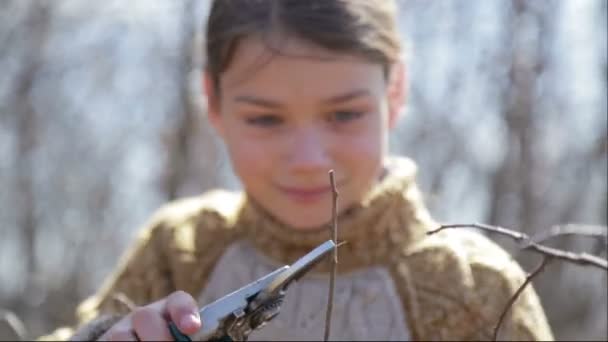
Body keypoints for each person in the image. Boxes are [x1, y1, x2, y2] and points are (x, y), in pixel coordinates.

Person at [39, 0, 554, 340]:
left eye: (345, 114)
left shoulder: (477, 289)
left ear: (393, 95)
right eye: (265, 118)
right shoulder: (180, 251)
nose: (310, 160)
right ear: (213, 103)